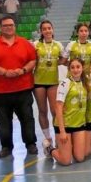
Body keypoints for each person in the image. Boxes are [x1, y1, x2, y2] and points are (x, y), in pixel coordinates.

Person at [0, 16, 38, 158]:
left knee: (27, 118)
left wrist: (23, 70)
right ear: (0, 27)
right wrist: (4, 72)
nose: (9, 27)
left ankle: (31, 143)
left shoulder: (24, 43)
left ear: (15, 26)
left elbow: (33, 60)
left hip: (23, 88)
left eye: (11, 25)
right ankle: (6, 146)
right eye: (5, 25)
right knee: (3, 121)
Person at [46, 58, 90, 165]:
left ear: (82, 68)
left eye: (78, 67)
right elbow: (58, 106)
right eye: (72, 67)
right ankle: (49, 148)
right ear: (69, 69)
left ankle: (70, 148)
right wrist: (62, 131)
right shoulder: (65, 83)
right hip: (65, 126)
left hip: (79, 124)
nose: (75, 70)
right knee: (65, 161)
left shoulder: (85, 83)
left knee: (80, 158)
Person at [33, 20, 65, 150]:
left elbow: (64, 58)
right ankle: (47, 138)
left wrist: (55, 63)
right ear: (41, 31)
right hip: (39, 82)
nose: (47, 31)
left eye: (49, 28)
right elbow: (31, 60)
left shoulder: (58, 45)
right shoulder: (35, 45)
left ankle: (57, 136)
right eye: (44, 29)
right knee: (42, 111)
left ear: (53, 29)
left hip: (53, 82)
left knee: (55, 111)